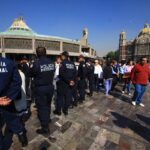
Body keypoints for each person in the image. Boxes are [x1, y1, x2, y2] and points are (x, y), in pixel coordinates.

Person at [0, 56, 28, 149]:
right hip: (7, 100)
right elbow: (17, 82)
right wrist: (10, 98)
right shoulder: (10, 63)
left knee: (12, 120)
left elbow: (17, 82)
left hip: (6, 101)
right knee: (13, 120)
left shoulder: (10, 63)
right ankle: (21, 135)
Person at [30, 47, 55, 134]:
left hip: (41, 88)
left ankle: (45, 128)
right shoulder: (52, 62)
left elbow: (31, 74)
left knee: (42, 107)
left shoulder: (36, 63)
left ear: (37, 54)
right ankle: (47, 119)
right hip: (50, 87)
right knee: (48, 104)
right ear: (45, 53)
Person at [53, 51, 76, 115]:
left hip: (62, 84)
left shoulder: (62, 63)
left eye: (61, 56)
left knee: (60, 98)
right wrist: (72, 81)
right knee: (68, 98)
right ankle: (65, 110)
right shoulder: (72, 63)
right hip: (70, 84)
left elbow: (61, 74)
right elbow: (75, 73)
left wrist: (68, 81)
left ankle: (58, 111)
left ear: (63, 56)